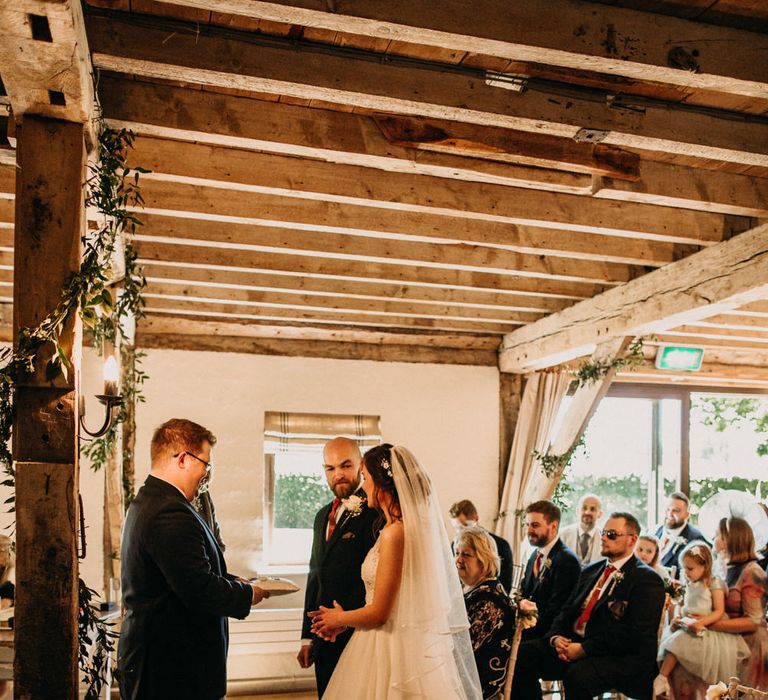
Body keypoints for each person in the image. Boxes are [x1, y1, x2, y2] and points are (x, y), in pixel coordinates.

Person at [310, 444, 482, 699]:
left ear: (383, 485)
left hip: (389, 648)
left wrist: (340, 618)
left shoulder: (395, 534)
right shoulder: (401, 529)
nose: (364, 485)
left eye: (367, 478)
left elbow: (380, 613)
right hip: (397, 639)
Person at [118, 418, 269, 700]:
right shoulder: (169, 513)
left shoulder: (151, 500)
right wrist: (247, 593)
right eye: (206, 464)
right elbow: (198, 589)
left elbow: (178, 574)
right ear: (183, 459)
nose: (207, 474)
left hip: (163, 659)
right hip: (172, 666)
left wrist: (228, 580)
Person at [512, 512, 666, 700]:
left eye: (611, 534)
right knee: (521, 655)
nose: (603, 538)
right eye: (603, 533)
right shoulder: (591, 570)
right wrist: (556, 637)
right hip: (575, 643)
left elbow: (634, 634)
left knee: (577, 677)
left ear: (632, 540)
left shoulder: (647, 580)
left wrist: (584, 649)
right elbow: (566, 610)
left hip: (619, 656)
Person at [298, 437, 379, 697]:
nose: (339, 475)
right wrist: (308, 637)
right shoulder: (322, 516)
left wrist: (344, 621)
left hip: (358, 634)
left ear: (361, 465)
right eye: (330, 469)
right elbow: (315, 576)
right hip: (324, 637)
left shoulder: (375, 513)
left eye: (345, 466)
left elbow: (376, 578)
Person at [655, 542, 749, 695]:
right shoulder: (689, 582)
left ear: (705, 566)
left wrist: (701, 622)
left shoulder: (713, 582)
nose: (685, 572)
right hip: (688, 623)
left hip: (707, 627)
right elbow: (682, 604)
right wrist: (678, 617)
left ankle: (661, 678)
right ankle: (665, 680)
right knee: (668, 642)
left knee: (676, 642)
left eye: (690, 568)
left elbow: (719, 611)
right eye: (683, 568)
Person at [455, 525, 514, 699]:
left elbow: (465, 650)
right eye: (456, 552)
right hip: (463, 672)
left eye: (466, 554)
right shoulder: (472, 589)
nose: (458, 559)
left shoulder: (490, 601)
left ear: (484, 560)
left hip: (476, 684)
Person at [520, 500, 581, 642]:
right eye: (527, 525)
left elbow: (557, 610)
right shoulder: (534, 556)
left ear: (553, 526)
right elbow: (524, 593)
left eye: (535, 525)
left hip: (547, 636)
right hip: (527, 629)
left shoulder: (567, 561)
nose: (529, 530)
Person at [450, 499, 514, 593]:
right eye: (456, 528)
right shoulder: (454, 545)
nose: (460, 532)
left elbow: (505, 584)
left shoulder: (501, 545)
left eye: (463, 526)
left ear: (476, 519)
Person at [655, 491, 709, 575]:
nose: (670, 514)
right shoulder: (655, 531)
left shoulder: (696, 539)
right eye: (668, 509)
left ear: (687, 515)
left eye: (676, 510)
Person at [560, 494, 605, 566]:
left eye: (592, 509)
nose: (587, 512)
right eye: (584, 508)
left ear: (600, 514)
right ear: (577, 511)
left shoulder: (605, 538)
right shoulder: (562, 534)